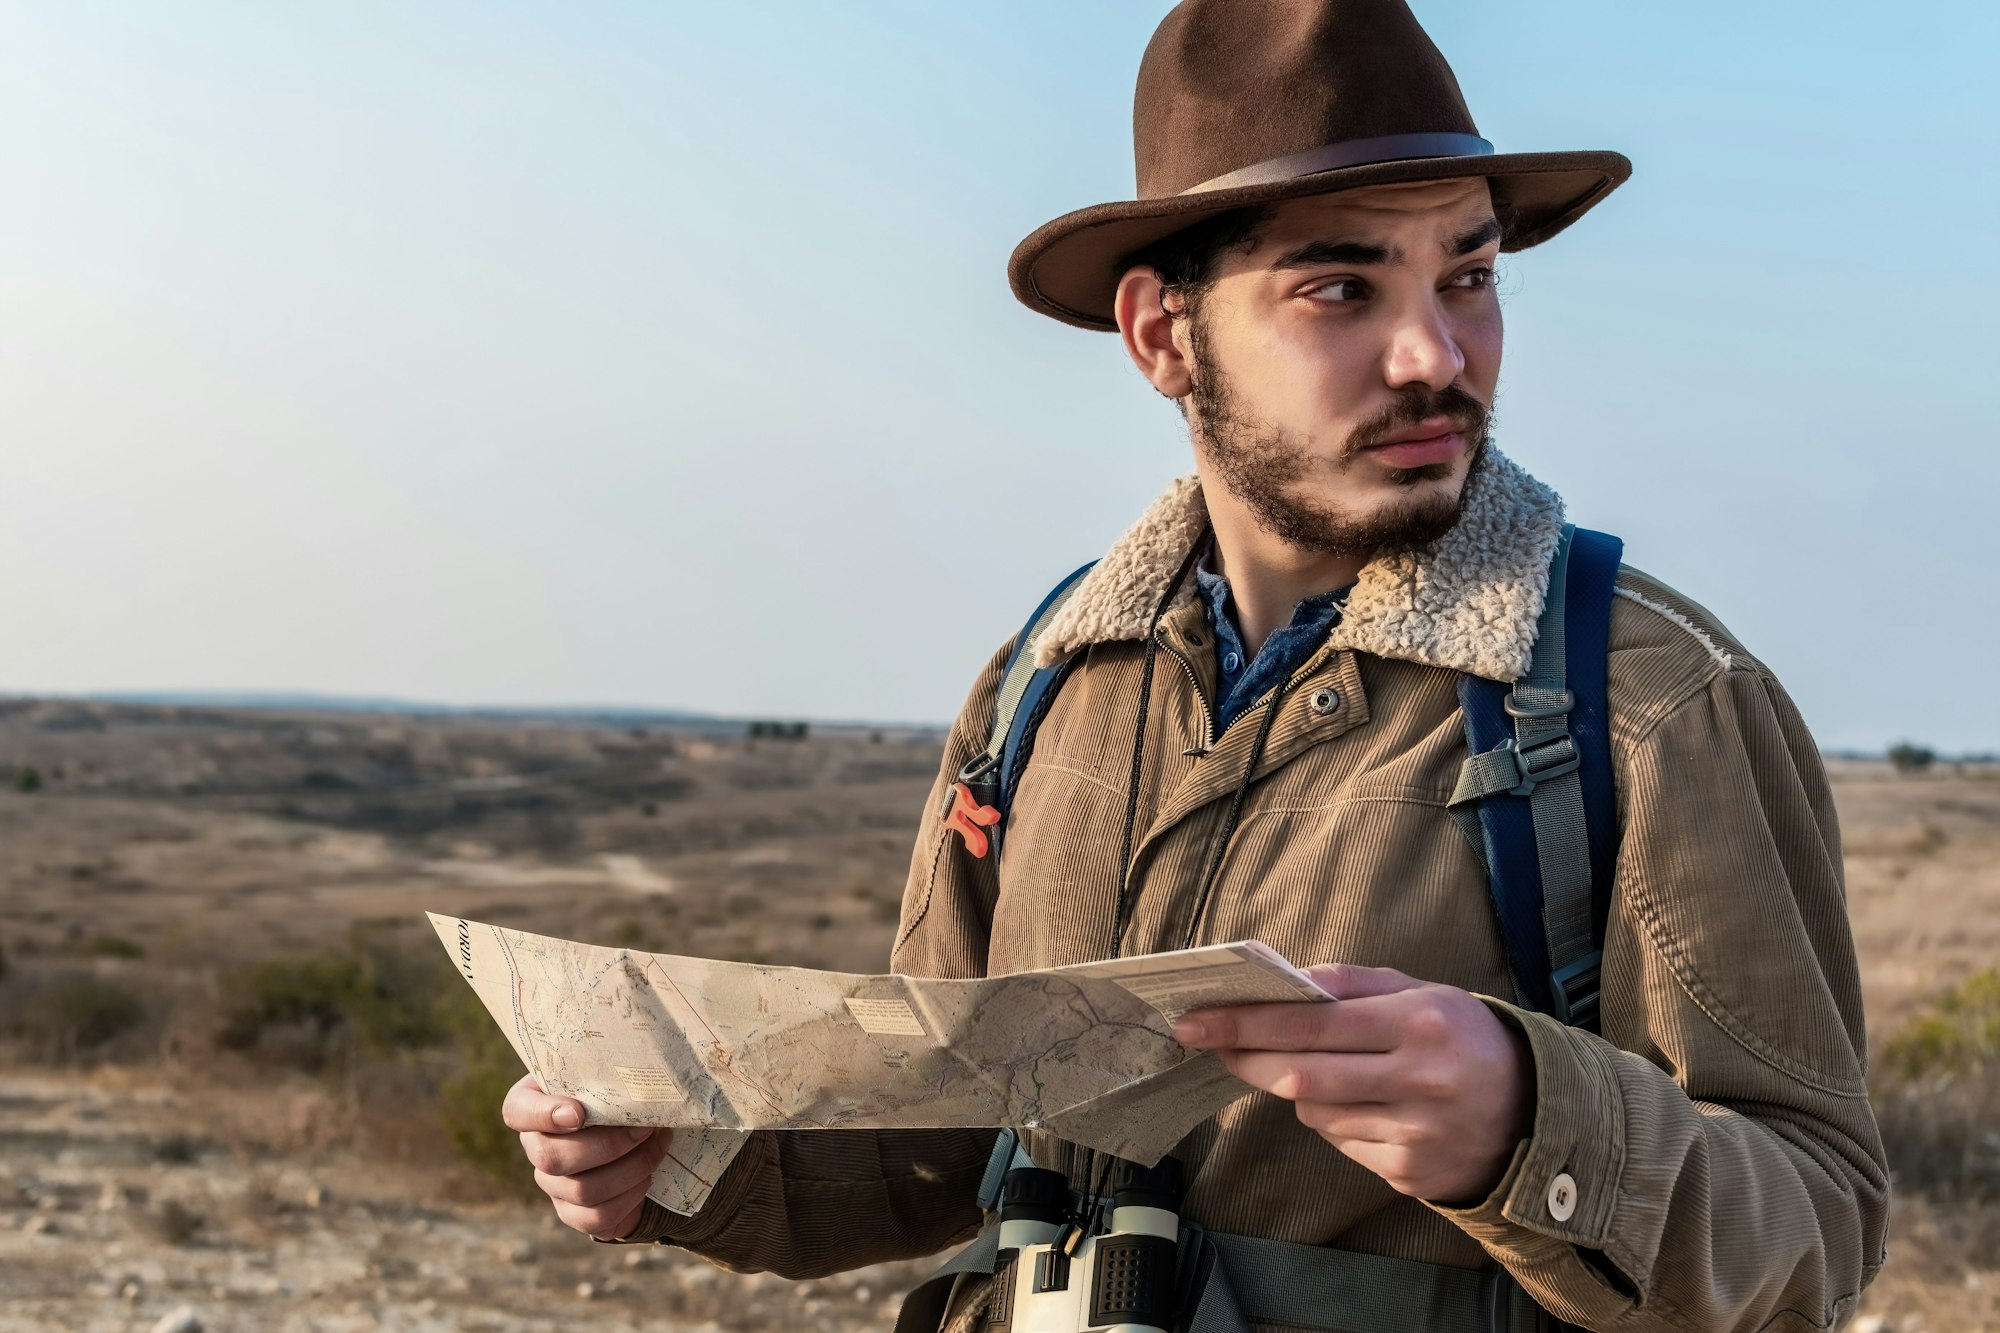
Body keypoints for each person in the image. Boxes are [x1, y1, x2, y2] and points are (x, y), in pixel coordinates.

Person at [501, 1, 1889, 1329]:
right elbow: (946, 1129)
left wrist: (1532, 1125)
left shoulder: (1647, 699)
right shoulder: (1048, 680)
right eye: (1342, 287)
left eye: (1468, 275)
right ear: (1165, 335)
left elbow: (1817, 1230)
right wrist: (675, 1153)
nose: (1436, 352)